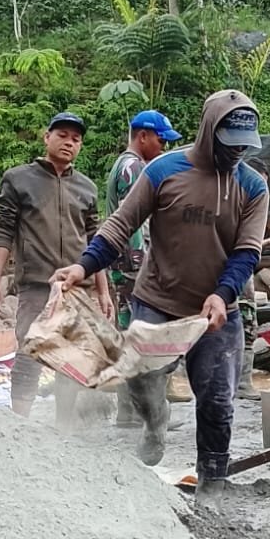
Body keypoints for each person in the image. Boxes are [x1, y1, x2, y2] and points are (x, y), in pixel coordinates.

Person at [52, 90, 268, 503]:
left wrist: (222, 294)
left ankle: (211, 481)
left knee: (217, 400)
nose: (237, 152)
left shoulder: (252, 186)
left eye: (245, 144)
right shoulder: (163, 171)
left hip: (216, 310)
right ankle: (155, 421)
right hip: (158, 301)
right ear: (208, 131)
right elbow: (120, 226)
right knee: (140, 379)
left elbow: (247, 252)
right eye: (230, 143)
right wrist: (83, 267)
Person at [0, 112, 109, 421]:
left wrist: (103, 291)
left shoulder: (86, 187)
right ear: (47, 137)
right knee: (30, 351)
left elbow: (96, 242)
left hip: (77, 288)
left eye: (76, 139)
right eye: (62, 135)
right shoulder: (18, 179)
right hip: (37, 285)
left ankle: (63, 427)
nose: (69, 142)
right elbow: (2, 232)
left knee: (71, 357)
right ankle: (20, 423)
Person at [107, 110, 180, 425]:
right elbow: (132, 220)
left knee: (130, 338)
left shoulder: (126, 165)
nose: (164, 147)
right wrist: (141, 266)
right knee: (143, 339)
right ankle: (144, 413)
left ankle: (130, 412)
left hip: (123, 266)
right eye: (161, 140)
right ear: (143, 136)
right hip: (132, 268)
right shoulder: (133, 168)